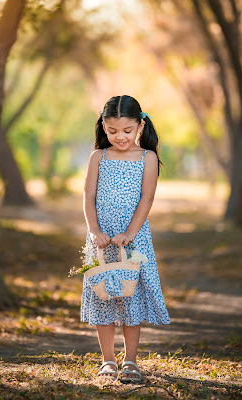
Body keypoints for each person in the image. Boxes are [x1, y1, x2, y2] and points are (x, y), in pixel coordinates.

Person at [80, 95, 170, 383]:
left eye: (127, 131)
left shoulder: (148, 158)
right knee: (103, 296)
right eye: (113, 131)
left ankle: (130, 360)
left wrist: (130, 233)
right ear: (103, 127)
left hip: (134, 236)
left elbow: (147, 198)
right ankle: (108, 360)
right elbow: (89, 195)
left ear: (140, 127)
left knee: (131, 299)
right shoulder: (98, 157)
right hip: (103, 238)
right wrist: (94, 230)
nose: (120, 137)